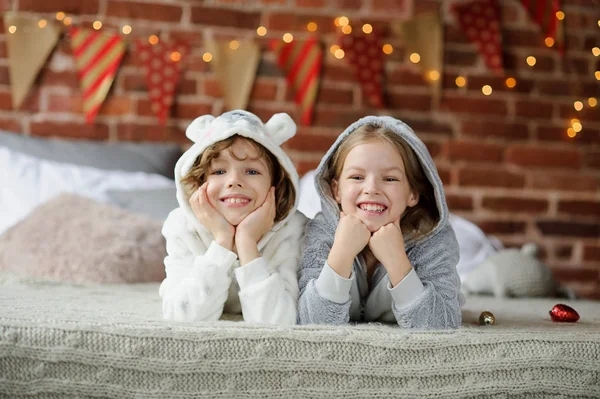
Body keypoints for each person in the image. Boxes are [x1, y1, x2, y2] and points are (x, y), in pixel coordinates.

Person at [297, 116, 463, 329]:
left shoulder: (433, 239)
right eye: (357, 177)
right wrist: (341, 254)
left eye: (390, 179)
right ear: (336, 190)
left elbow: (442, 325)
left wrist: (397, 262)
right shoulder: (323, 231)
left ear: (412, 193)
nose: (372, 188)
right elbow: (311, 323)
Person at [159, 110, 307, 324]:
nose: (234, 181)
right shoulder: (182, 227)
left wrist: (247, 242)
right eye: (219, 172)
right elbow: (183, 318)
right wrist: (222, 240)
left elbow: (277, 322)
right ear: (199, 183)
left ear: (276, 184)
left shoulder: (292, 229)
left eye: (252, 172)